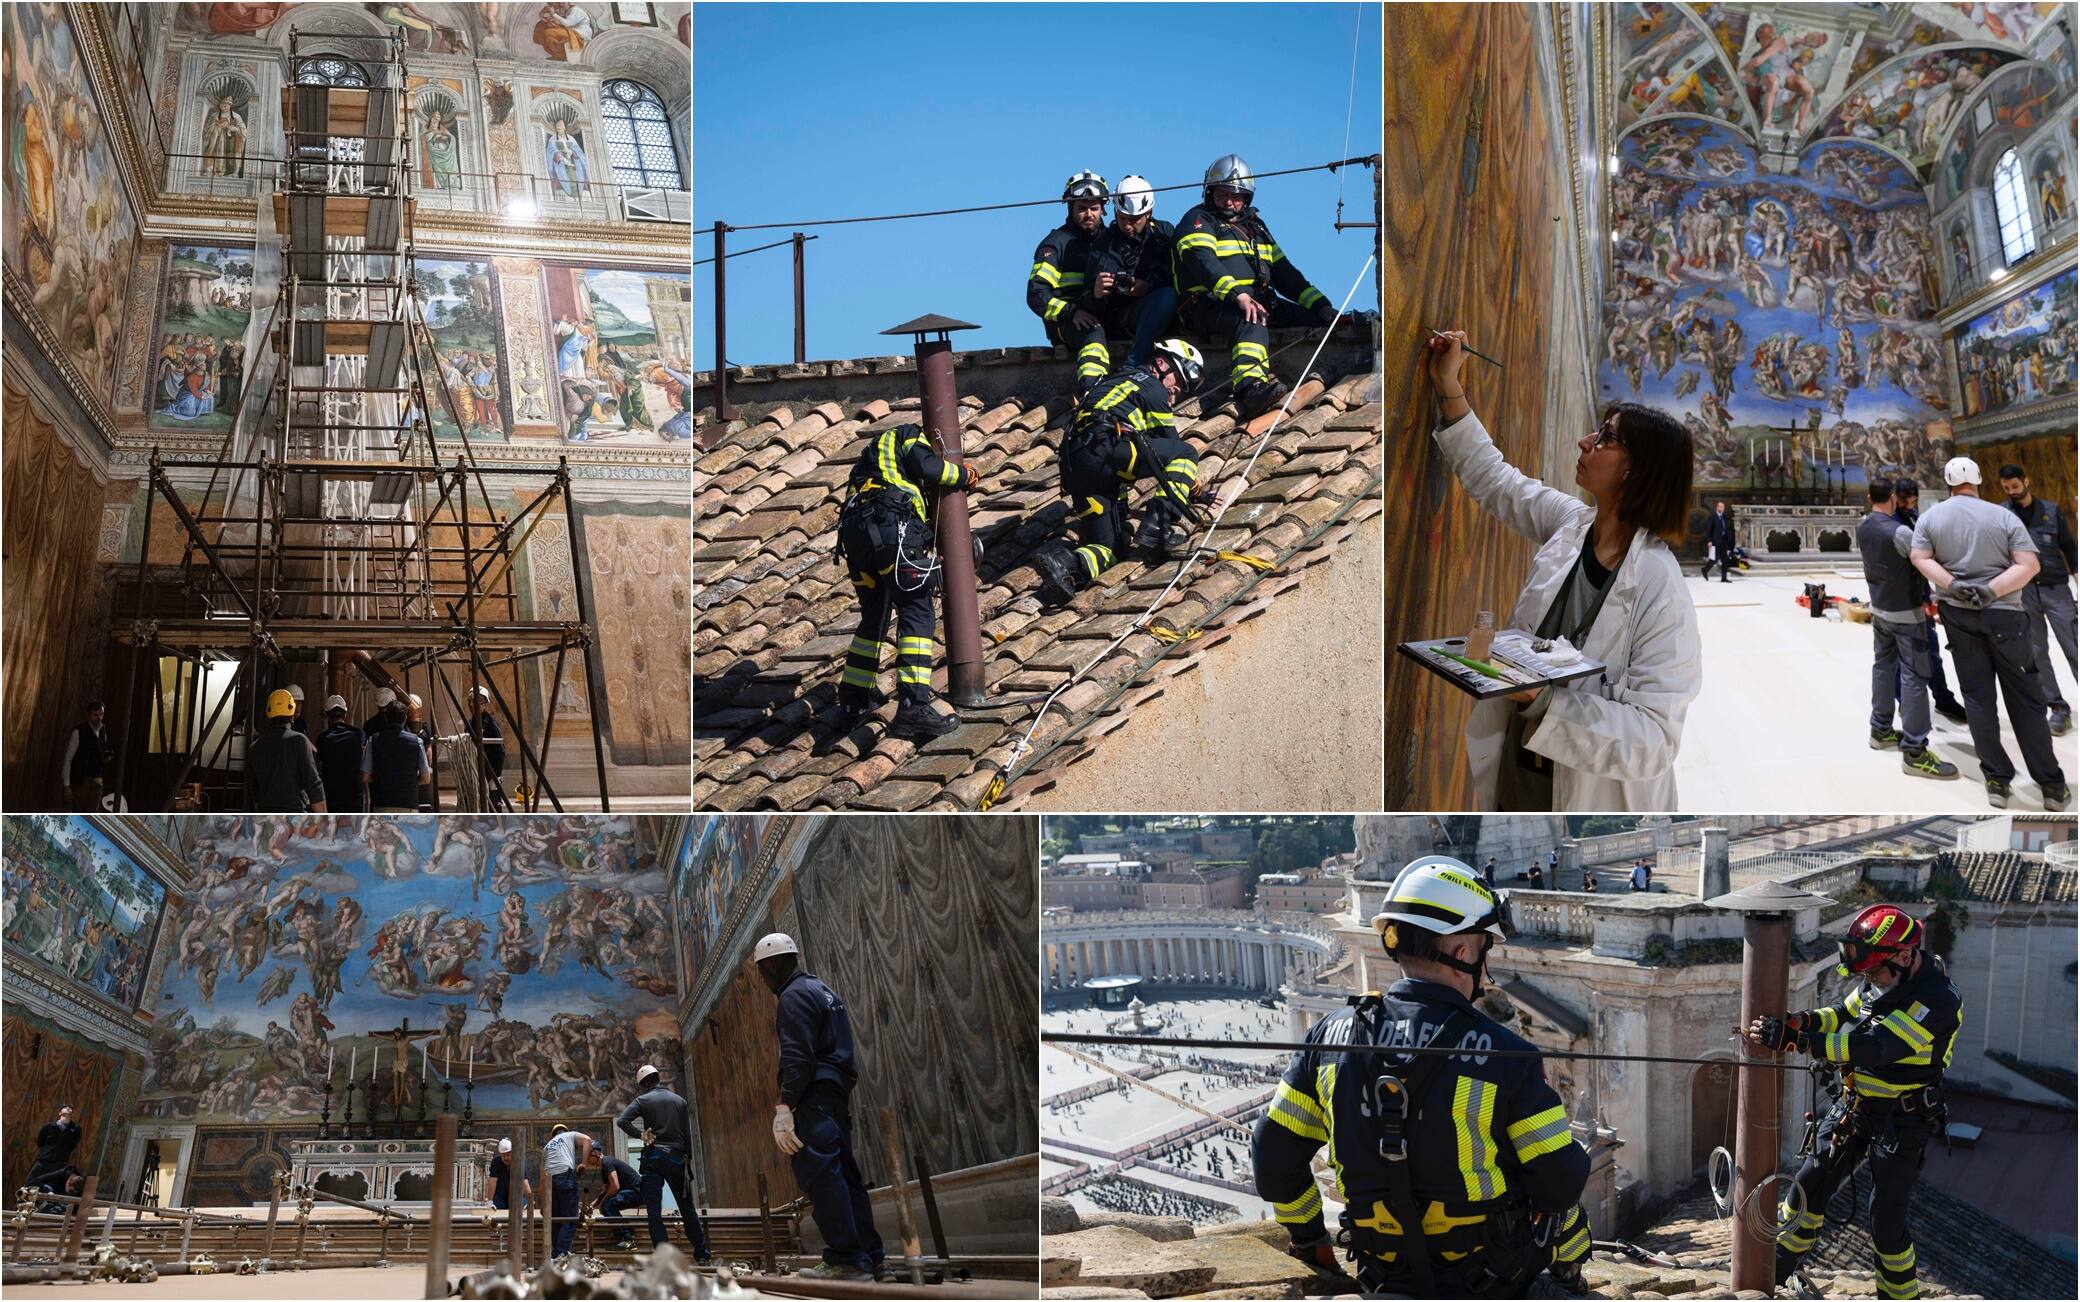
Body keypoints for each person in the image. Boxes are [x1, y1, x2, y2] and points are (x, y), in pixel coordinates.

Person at [1253, 858, 1591, 1296]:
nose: (1485, 969)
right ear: (1464, 953)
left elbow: (1272, 1158)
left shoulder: (1330, 1037)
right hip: (1491, 1282)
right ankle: (1568, 1282)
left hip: (1382, 1275)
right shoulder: (1510, 1055)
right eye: (1485, 950)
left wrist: (1311, 1239)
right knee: (1565, 1194)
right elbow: (1559, 1181)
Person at [1424, 330, 1703, 810]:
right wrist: (1450, 386)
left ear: (1637, 470)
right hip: (1518, 761)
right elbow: (1497, 481)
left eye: (1607, 438)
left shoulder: (1659, 585)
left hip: (1589, 790)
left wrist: (1543, 700)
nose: (1585, 441)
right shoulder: (1572, 524)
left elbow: (1655, 739)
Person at [1746, 905, 1962, 1298]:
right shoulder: (1880, 977)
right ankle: (1773, 1274)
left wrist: (1798, 1042)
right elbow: (1844, 1012)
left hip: (1903, 1120)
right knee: (1806, 1186)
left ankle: (1897, 1297)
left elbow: (1876, 1047)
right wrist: (1804, 1021)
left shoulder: (1938, 1000)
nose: (1869, 980)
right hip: (1856, 1107)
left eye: (1873, 972)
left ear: (1902, 955)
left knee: (1885, 1220)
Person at [1909, 457, 2070, 809]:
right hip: (2005, 616)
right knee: (2026, 701)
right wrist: (1991, 590)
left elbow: (1919, 557)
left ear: (1948, 481)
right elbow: (2030, 564)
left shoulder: (1931, 518)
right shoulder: (2003, 516)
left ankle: (1997, 781)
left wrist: (1953, 583)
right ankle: (2051, 786)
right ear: (1979, 479)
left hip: (1958, 614)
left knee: (1979, 700)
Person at [823, 422, 979, 743]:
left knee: (875, 615)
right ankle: (913, 704)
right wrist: (964, 476)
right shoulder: (908, 434)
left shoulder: (870, 462)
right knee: (917, 609)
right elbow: (928, 466)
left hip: (856, 537)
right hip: (890, 524)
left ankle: (853, 701)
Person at [1031, 339, 1210, 605]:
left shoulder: (1109, 383)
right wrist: (1192, 489)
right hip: (1107, 449)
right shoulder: (1150, 386)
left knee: (1110, 547)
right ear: (1160, 363)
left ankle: (1066, 564)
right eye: (1179, 380)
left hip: (1079, 468)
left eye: (1183, 388)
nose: (1177, 391)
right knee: (1187, 453)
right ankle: (1158, 525)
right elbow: (1170, 444)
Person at [756, 932, 885, 1284]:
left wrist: (784, 1106)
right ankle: (871, 1257)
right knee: (845, 1176)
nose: (765, 981)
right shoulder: (822, 990)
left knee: (821, 1175)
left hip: (812, 1097)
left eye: (762, 972)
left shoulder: (793, 996)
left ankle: (846, 1258)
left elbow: (798, 1058)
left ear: (771, 965)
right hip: (834, 1094)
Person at [1174, 154, 1339, 420]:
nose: (1229, 201)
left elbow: (1286, 275)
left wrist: (1323, 307)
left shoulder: (1257, 228)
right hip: (1206, 306)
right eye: (1222, 194)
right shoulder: (1198, 220)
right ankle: (1250, 387)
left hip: (1255, 301)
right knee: (1252, 319)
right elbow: (1203, 263)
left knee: (1313, 319)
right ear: (1209, 192)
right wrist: (1237, 294)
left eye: (1237, 195)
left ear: (1247, 198)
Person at [1859, 478, 1960, 780]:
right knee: (1914, 675)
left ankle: (1880, 729)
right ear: (1891, 497)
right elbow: (1922, 564)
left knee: (1883, 668)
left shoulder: (1863, 526)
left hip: (1880, 610)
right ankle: (1915, 752)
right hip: (1906, 612)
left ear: (1868, 498)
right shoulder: (1900, 531)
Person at [1999, 464, 2077, 736]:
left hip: (2056, 588)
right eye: (2006, 488)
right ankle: (2057, 707)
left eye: (2015, 487)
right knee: (2036, 651)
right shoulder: (2002, 514)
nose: (2012, 492)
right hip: (2024, 592)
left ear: (2026, 481)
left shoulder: (2051, 510)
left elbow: (2069, 547)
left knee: (2074, 645)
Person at [1028, 171, 1113, 399]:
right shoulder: (1055, 245)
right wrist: (1070, 312)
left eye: (1094, 208)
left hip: (1105, 313)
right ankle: (1091, 394)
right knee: (1093, 335)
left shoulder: (1112, 239)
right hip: (1067, 322)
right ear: (1070, 208)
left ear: (1103, 208)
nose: (1088, 214)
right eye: (1081, 209)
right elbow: (1036, 294)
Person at [615, 1064, 712, 1262]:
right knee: (687, 1207)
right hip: (677, 1158)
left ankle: (663, 1257)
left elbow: (622, 1121)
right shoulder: (680, 1101)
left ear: (643, 1083)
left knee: (654, 1209)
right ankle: (702, 1254)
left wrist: (641, 1135)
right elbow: (686, 1134)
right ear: (658, 1077)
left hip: (653, 1158)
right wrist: (688, 1160)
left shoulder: (643, 1100)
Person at [1086, 174, 1178, 371]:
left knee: (1169, 295)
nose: (1127, 225)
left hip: (1161, 307)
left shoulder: (1164, 233)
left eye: (1134, 220)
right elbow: (1087, 304)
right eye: (1122, 218)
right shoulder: (1103, 244)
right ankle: (1133, 365)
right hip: (1120, 318)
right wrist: (1096, 293)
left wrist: (1148, 287)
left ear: (1149, 213)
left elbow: (1179, 275)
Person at [1895, 481, 1970, 724]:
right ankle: (1904, 702)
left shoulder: (1917, 519)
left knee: (1932, 652)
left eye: (1913, 500)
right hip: (1899, 599)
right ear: (1895, 498)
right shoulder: (1892, 522)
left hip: (1921, 593)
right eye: (1905, 500)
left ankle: (1944, 699)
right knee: (1901, 657)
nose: (1909, 505)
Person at [249, 689, 327, 812]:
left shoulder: (254, 747)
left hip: (265, 816)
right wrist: (324, 821)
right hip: (293, 816)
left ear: (269, 712)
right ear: (292, 713)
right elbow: (313, 785)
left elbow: (254, 793)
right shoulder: (299, 740)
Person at [362, 698, 432, 813]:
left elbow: (364, 777)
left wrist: (383, 779)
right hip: (408, 804)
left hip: (382, 803)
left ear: (386, 718)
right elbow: (426, 778)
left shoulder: (373, 740)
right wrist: (408, 781)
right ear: (405, 718)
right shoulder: (417, 741)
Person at [541, 1125, 591, 1257]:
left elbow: (542, 1176)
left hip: (549, 1182)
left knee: (555, 1219)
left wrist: (542, 1202)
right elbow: (587, 1140)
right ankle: (560, 1255)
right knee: (569, 1218)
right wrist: (584, 1164)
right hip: (565, 1177)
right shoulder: (569, 1135)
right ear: (565, 1132)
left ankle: (554, 1255)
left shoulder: (546, 1147)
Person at [314, 695, 365, 813]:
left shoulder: (322, 738)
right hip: (354, 797)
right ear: (345, 714)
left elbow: (320, 766)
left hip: (332, 798)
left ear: (327, 716)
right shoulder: (358, 734)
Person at [60, 701, 112, 812]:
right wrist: (67, 785)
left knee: (92, 811)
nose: (99, 718)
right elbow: (68, 759)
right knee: (76, 809)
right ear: (89, 715)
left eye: (101, 714)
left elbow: (100, 752)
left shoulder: (103, 730)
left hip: (97, 779)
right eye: (95, 715)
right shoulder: (79, 731)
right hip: (81, 780)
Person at [467, 685, 510, 810]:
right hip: (475, 774)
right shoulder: (470, 723)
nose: (471, 704)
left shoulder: (491, 724)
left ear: (484, 703)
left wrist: (495, 776)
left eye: (475, 701)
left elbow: (500, 750)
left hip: (489, 776)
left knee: (492, 810)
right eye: (469, 701)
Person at [594, 1149, 646, 1250]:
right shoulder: (604, 1166)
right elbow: (605, 1192)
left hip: (637, 1192)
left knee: (608, 1205)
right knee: (606, 1206)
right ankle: (623, 1231)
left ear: (595, 1153)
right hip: (631, 1192)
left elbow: (615, 1187)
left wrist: (602, 1203)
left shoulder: (606, 1162)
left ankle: (628, 1240)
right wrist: (592, 1205)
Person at [27, 1105, 82, 1196]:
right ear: (60, 1113)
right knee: (30, 1182)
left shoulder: (75, 1129)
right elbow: (41, 1142)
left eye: (70, 1108)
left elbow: (73, 1145)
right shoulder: (48, 1127)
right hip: (43, 1161)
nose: (68, 1108)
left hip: (59, 1164)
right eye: (66, 1107)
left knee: (52, 1186)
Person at [488, 1136, 531, 1213]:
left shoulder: (519, 1161)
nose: (505, 1158)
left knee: (522, 1207)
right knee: (494, 1209)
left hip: (517, 1194)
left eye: (508, 1154)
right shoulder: (496, 1162)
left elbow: (524, 1182)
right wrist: (490, 1201)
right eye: (503, 1155)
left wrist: (530, 1200)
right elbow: (493, 1181)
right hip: (500, 1196)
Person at [1702, 500, 1737, 582]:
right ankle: (1705, 570)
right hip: (1715, 541)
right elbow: (1709, 530)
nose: (1721, 508)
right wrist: (1709, 541)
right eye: (1720, 506)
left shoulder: (1725, 517)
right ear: (1717, 508)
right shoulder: (1713, 517)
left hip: (1724, 541)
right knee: (1714, 559)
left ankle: (1724, 578)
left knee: (1725, 560)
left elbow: (1727, 528)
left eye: (1722, 507)